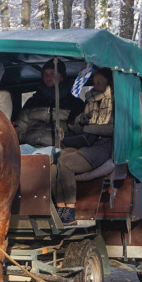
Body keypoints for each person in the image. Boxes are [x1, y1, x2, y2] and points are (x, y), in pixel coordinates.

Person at [55, 67, 115, 223]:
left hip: (103, 146)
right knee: (54, 159)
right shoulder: (90, 101)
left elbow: (113, 129)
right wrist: (80, 120)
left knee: (65, 163)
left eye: (99, 83)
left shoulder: (115, 103)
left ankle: (70, 209)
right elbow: (75, 127)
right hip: (86, 143)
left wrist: (88, 127)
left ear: (109, 83)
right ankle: (59, 206)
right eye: (94, 83)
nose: (95, 86)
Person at [14, 58, 84, 149]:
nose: (48, 77)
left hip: (57, 149)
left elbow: (77, 133)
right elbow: (18, 130)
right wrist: (25, 138)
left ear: (62, 77)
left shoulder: (75, 104)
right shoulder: (32, 102)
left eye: (52, 73)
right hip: (29, 147)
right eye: (45, 74)